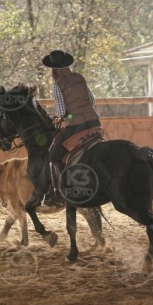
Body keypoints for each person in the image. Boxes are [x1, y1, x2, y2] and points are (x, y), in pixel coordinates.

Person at [41, 50, 102, 205]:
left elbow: (62, 112)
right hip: (94, 122)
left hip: (76, 125)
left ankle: (57, 194)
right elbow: (92, 100)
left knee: (53, 156)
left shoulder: (58, 84)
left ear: (53, 69)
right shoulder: (79, 77)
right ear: (67, 64)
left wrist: (64, 118)